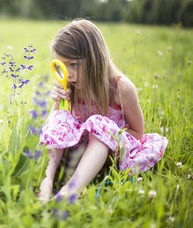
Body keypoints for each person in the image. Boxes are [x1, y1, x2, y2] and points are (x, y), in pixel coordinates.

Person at [37, 19, 168, 202]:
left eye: (73, 64)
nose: (69, 73)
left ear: (95, 58)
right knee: (60, 118)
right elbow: (51, 129)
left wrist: (102, 136)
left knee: (99, 124)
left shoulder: (121, 88)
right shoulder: (70, 84)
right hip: (77, 150)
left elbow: (138, 133)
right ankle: (46, 181)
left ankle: (69, 192)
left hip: (110, 153)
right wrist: (58, 103)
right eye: (62, 65)